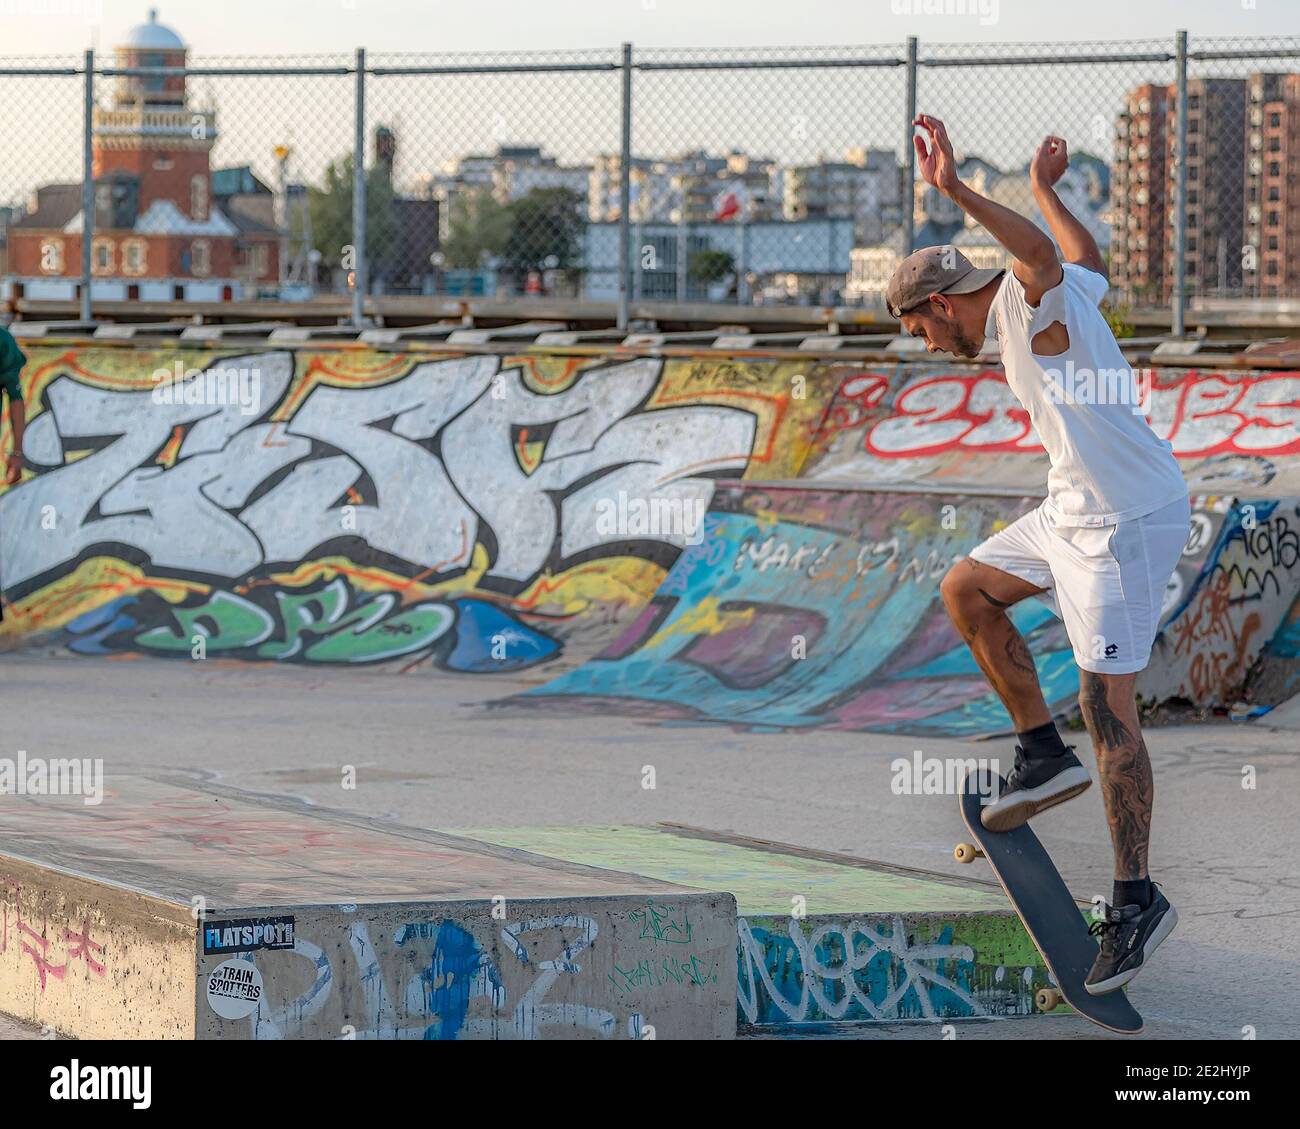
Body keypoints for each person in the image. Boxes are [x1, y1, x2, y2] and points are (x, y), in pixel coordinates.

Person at [886, 115, 1190, 995]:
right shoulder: (1069, 293)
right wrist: (1052, 193)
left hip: (1124, 522)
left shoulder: (1028, 302)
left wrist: (955, 191)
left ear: (940, 304)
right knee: (968, 588)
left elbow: (1044, 263)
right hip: (1071, 510)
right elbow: (1082, 254)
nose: (932, 349)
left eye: (922, 333)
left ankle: (1137, 900)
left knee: (1108, 702)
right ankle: (1039, 750)